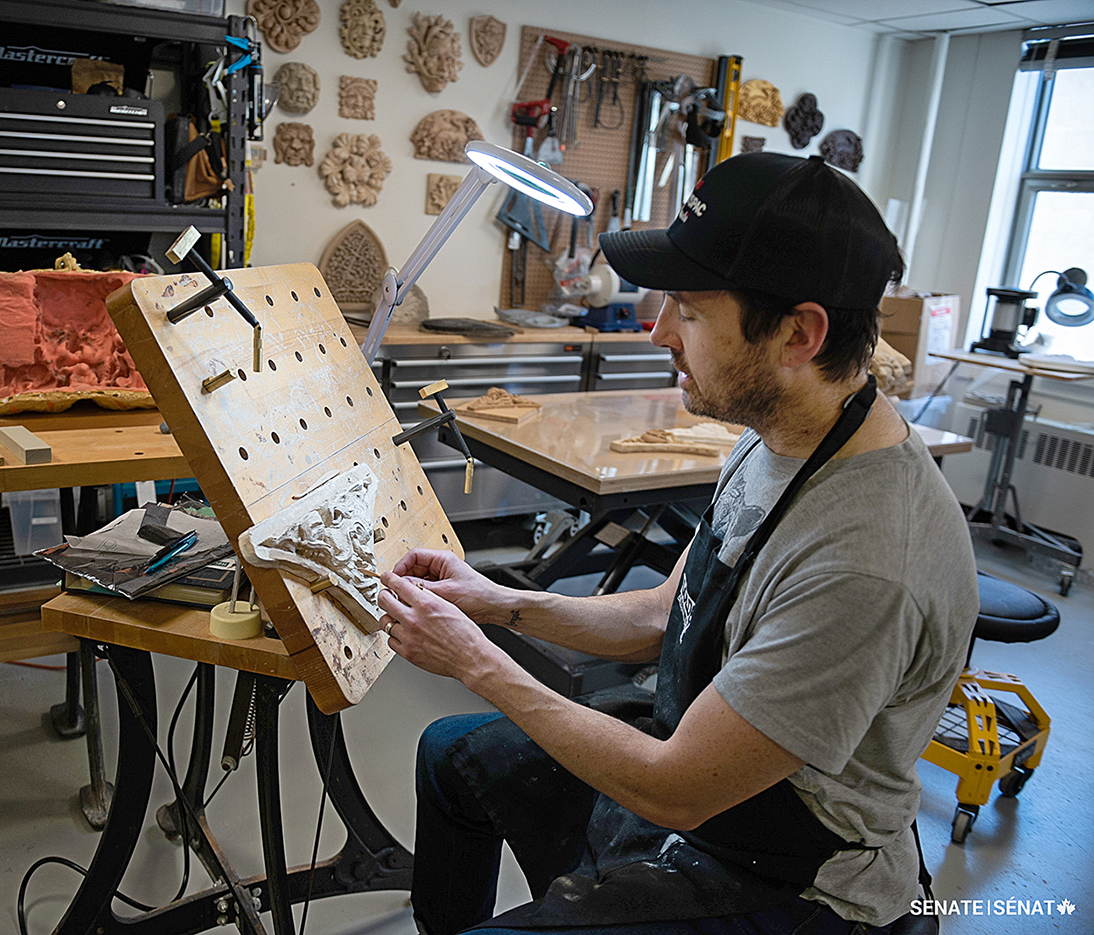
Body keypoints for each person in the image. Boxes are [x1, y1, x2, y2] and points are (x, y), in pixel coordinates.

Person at [376, 153, 979, 935]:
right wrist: (495, 602)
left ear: (799, 334)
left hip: (796, 875)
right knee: (450, 756)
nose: (659, 330)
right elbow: (668, 612)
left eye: (689, 310)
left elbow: (676, 789)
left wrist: (473, 660)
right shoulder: (775, 434)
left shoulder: (867, 559)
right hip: (706, 757)